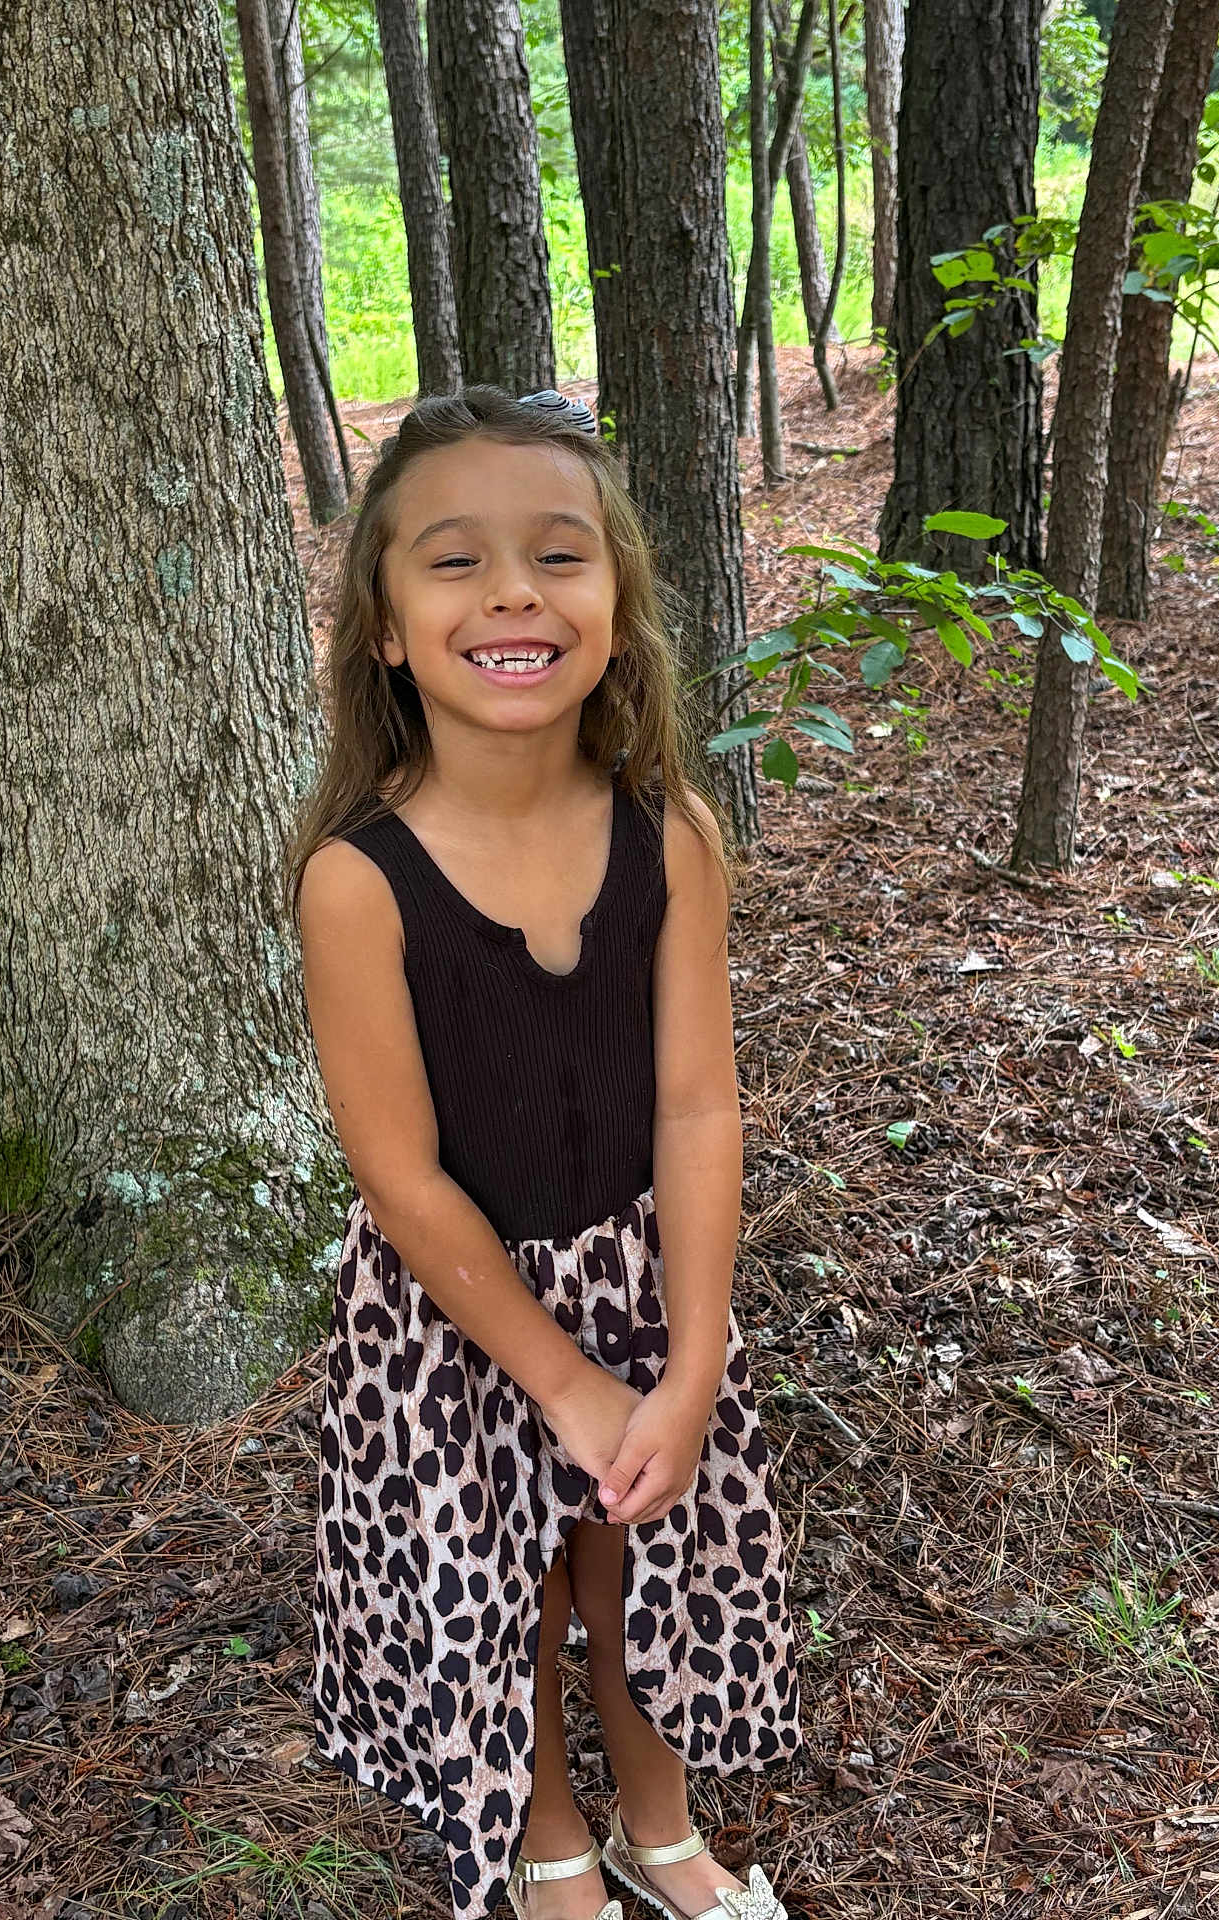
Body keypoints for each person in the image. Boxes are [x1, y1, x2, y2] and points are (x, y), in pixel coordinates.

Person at [289, 386, 800, 1920]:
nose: (514, 592)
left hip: (643, 1279)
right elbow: (400, 1176)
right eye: (455, 562)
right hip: (454, 1319)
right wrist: (561, 1381)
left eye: (558, 556)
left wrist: (688, 1361)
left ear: (618, 603)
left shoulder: (673, 833)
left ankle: (661, 1815)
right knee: (508, 1577)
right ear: (384, 628)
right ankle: (545, 1829)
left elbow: (697, 1106)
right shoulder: (358, 883)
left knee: (635, 1554)